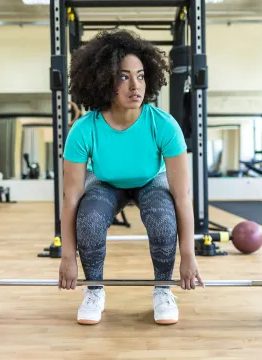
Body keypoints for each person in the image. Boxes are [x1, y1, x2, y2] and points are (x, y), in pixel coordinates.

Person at [58, 29, 204, 325]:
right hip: (106, 181)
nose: (134, 85)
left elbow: (182, 196)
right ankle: (94, 290)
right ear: (103, 79)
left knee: (164, 220)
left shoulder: (164, 125)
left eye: (140, 75)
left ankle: (163, 289)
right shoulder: (84, 129)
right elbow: (71, 198)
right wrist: (67, 256)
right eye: (123, 76)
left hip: (151, 180)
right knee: (88, 219)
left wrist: (188, 253)